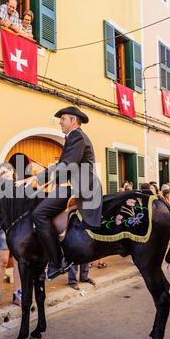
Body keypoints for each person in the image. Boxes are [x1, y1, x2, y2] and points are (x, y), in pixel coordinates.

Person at [16, 106, 103, 280]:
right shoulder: (74, 137)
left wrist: (34, 179)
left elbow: (65, 166)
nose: (60, 122)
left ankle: (57, 261)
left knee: (39, 214)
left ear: (74, 121)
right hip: (79, 185)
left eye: (63, 119)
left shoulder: (76, 136)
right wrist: (44, 181)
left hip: (83, 188)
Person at [0, 163, 22, 310]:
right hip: (3, 230)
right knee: (2, 262)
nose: (6, 176)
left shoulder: (19, 189)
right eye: (3, 173)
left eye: (8, 173)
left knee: (17, 262)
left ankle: (18, 294)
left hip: (17, 230)